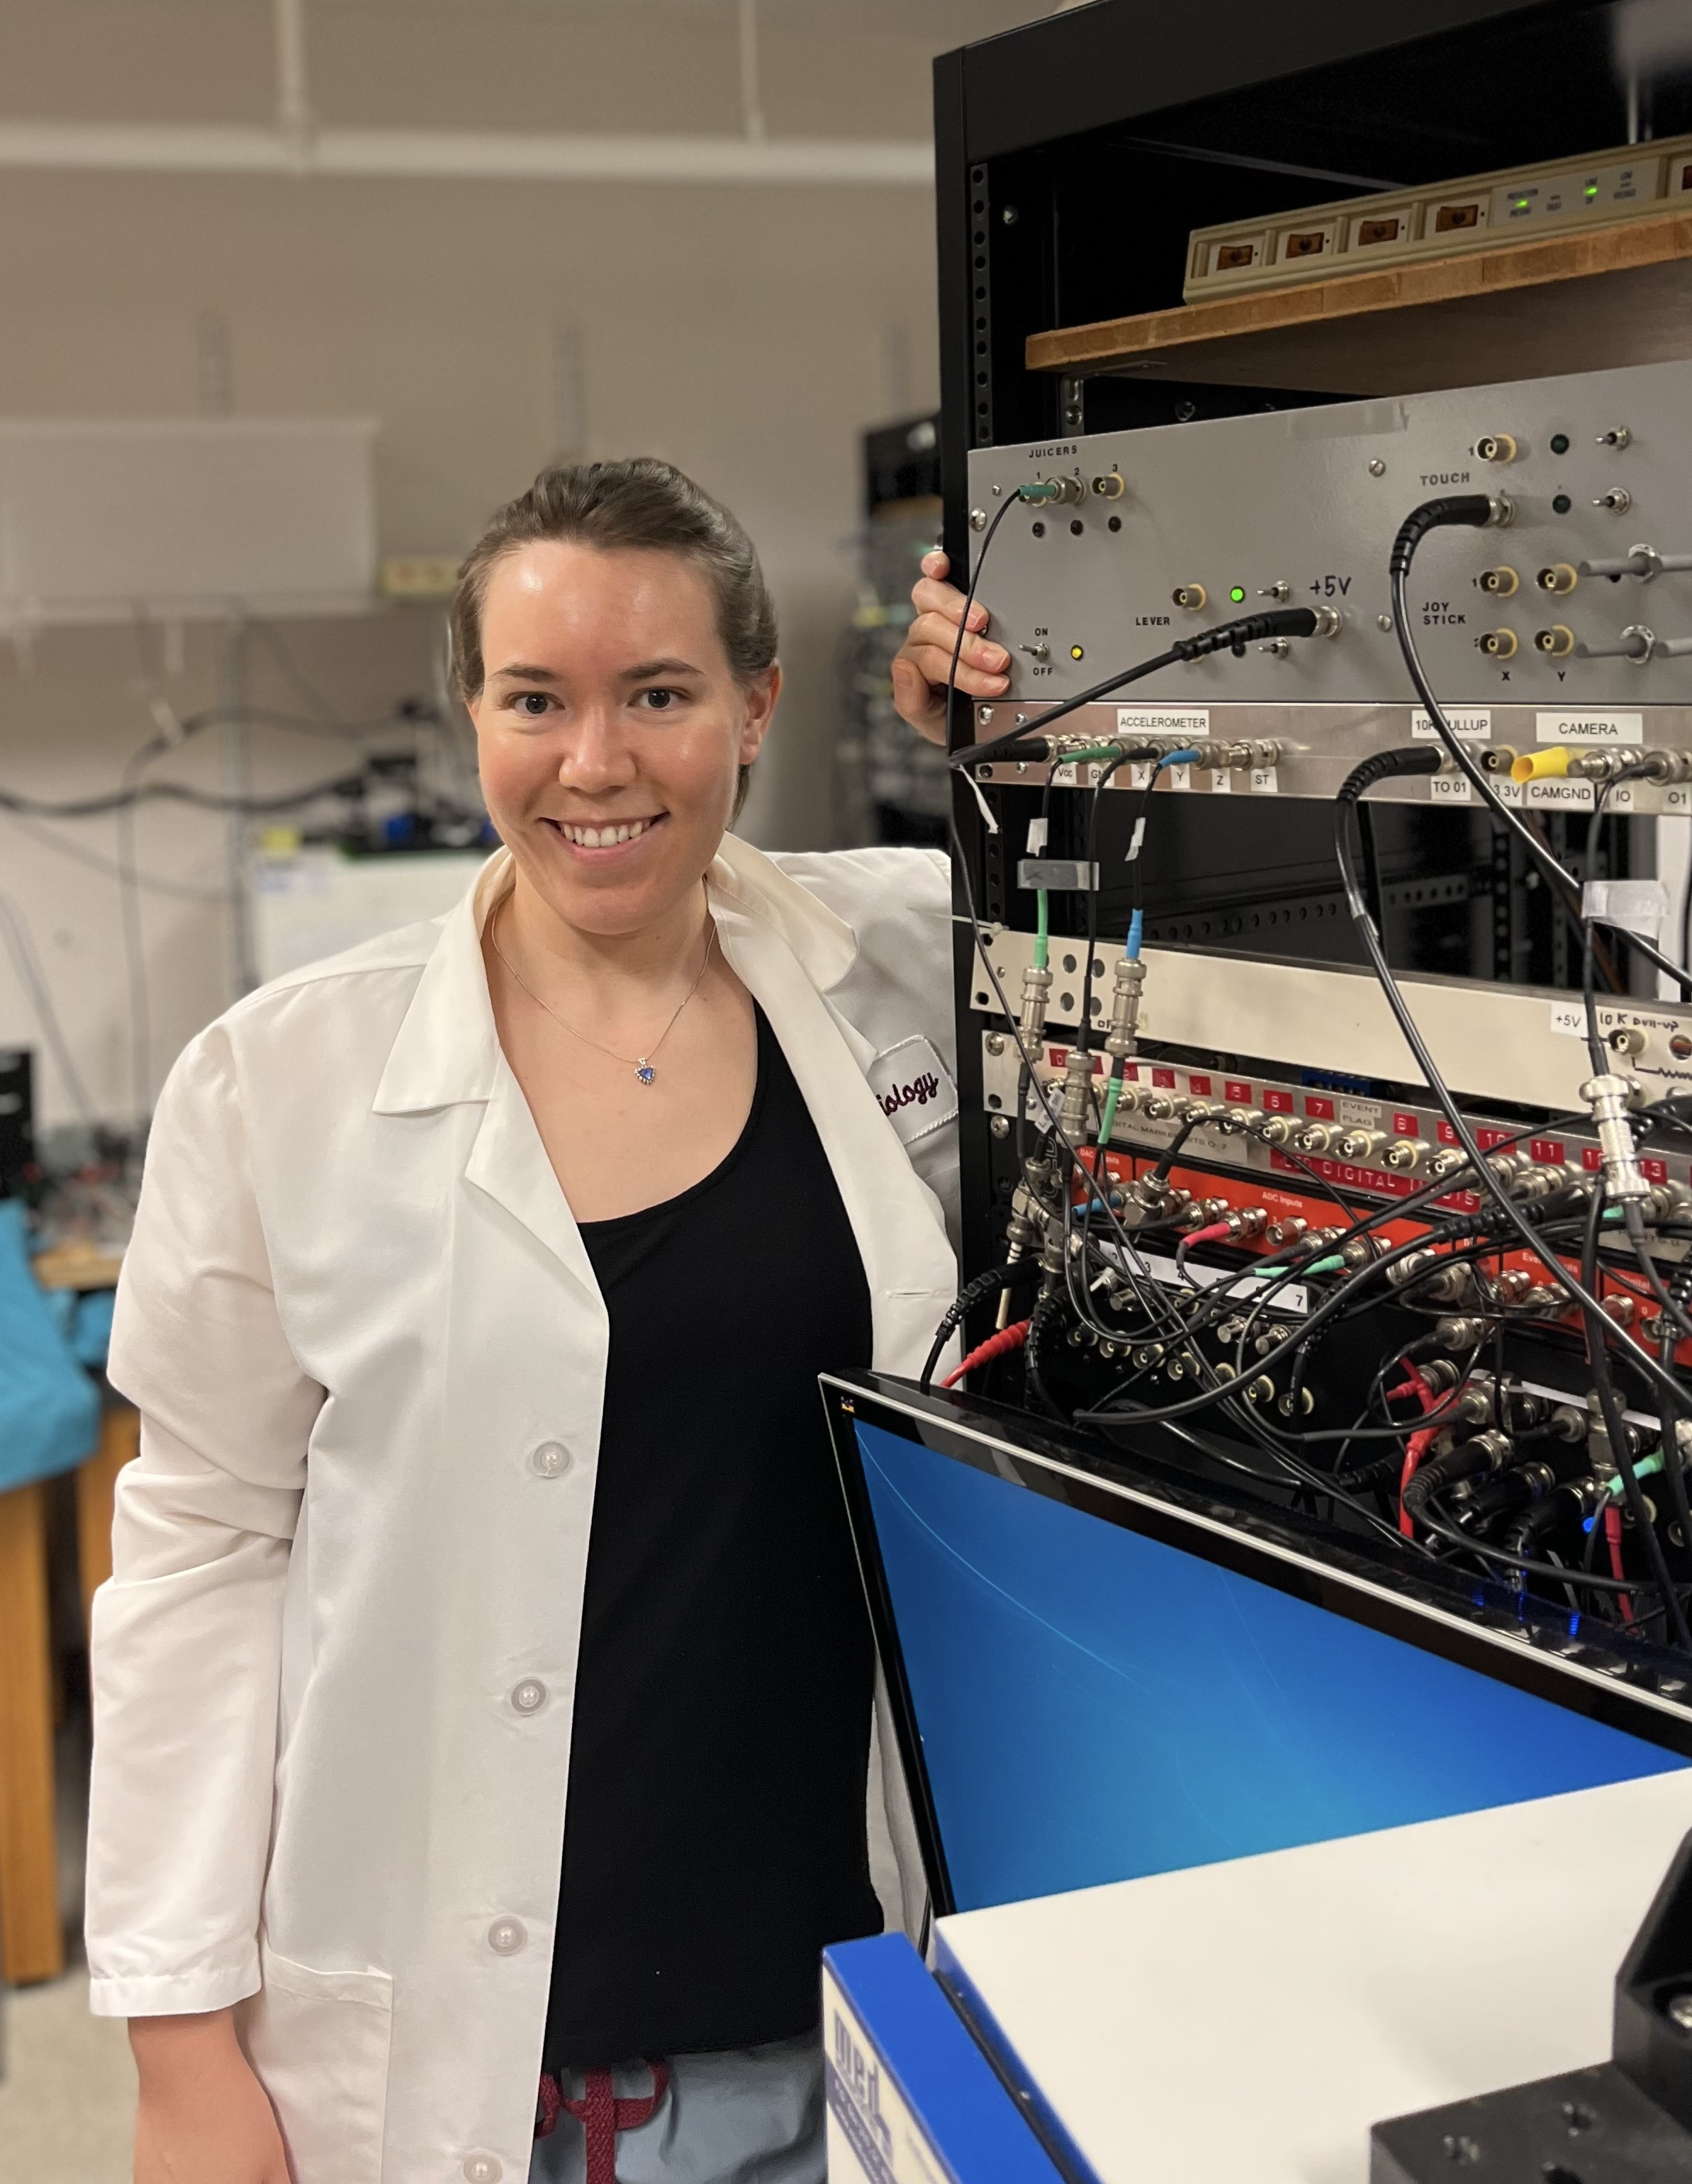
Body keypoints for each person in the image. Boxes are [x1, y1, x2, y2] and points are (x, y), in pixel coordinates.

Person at [86, 462, 999, 2184]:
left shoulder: (875, 960)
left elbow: (1132, 920)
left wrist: (1003, 744)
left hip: (850, 2008)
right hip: (500, 2068)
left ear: (754, 705)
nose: (596, 764)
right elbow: (197, 1558)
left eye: (659, 694)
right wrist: (179, 2044)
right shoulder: (281, 1081)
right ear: (473, 715)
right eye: (537, 700)